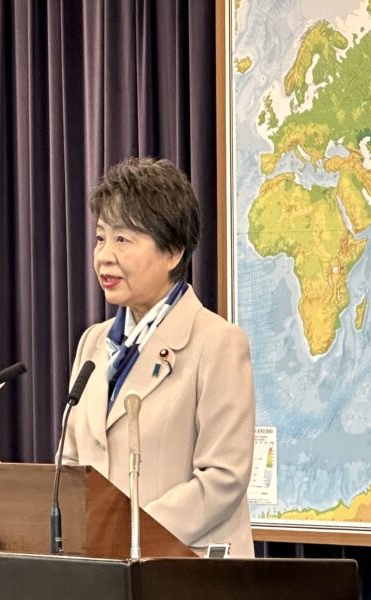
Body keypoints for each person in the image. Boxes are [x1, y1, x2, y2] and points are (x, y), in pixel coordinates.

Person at [62, 157, 256, 558]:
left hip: (183, 577)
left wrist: (129, 534)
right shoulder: (92, 343)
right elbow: (70, 465)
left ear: (173, 253)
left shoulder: (217, 343)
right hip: (98, 573)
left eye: (123, 240)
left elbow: (223, 478)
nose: (104, 257)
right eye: (101, 238)